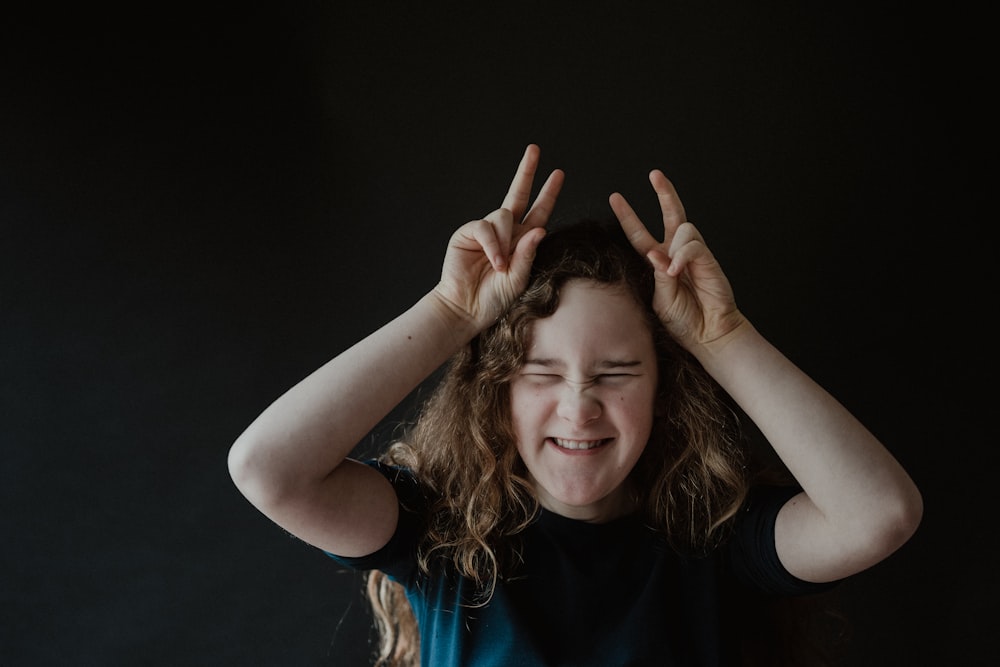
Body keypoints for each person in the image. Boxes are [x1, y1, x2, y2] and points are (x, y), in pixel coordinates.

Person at [228, 144, 923, 666]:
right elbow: (268, 467)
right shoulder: (438, 534)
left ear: (664, 387)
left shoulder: (714, 541)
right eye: (539, 372)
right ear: (494, 388)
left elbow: (879, 514)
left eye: (617, 371)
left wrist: (722, 335)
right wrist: (447, 314)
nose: (578, 406)